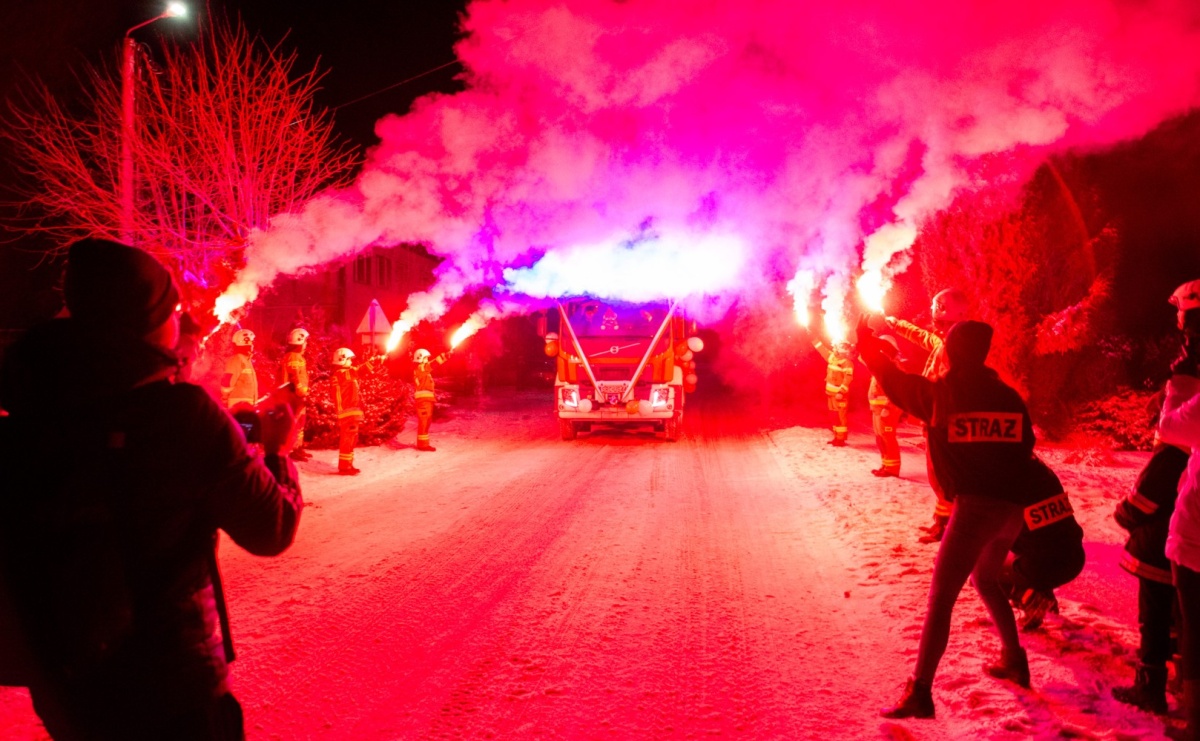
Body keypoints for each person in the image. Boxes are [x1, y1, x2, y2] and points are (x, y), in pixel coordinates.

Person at [0, 238, 303, 740]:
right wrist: (278, 452)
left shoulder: (29, 412)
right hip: (173, 689)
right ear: (148, 320)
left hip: (69, 685)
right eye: (173, 310)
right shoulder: (182, 417)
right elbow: (271, 530)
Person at [859, 316, 1046, 719]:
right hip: (1011, 510)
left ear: (953, 350)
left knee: (942, 598)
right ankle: (1015, 659)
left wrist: (868, 348)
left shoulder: (947, 393)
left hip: (974, 509)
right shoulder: (1009, 397)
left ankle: (920, 691)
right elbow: (1027, 445)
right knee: (986, 579)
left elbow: (898, 384)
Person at [1112, 391, 1188, 715]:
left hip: (1159, 549)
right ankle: (1185, 679)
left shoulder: (1171, 455)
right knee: (1181, 617)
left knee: (1153, 619)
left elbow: (1141, 501)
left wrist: (1122, 515)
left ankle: (1149, 688)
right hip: (1185, 552)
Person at [886, 288, 970, 543]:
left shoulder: (953, 347)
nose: (932, 309)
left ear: (944, 308)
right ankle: (942, 522)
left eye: (935, 305)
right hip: (936, 419)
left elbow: (947, 388)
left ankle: (948, 527)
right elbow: (923, 337)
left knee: (942, 476)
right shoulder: (948, 340)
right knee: (938, 475)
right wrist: (895, 325)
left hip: (941, 421)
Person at [1155, 278, 1200, 741]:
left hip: (1196, 534)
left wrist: (1178, 385)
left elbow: (1170, 430)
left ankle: (1195, 718)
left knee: (1195, 623)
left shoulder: (1192, 376)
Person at [1003, 475, 1086, 632]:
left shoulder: (1006, 481)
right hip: (1075, 557)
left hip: (1041, 566)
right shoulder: (1043, 474)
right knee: (1041, 545)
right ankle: (1043, 596)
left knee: (982, 567)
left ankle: (1030, 599)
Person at [331, 347, 383, 475]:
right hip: (348, 412)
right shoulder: (341, 373)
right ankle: (344, 467)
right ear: (342, 360)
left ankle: (348, 464)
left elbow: (357, 371)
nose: (351, 362)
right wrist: (373, 361)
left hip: (352, 411)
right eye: (349, 360)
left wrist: (374, 361)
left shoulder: (344, 373)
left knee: (352, 439)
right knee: (348, 439)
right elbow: (359, 371)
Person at [868, 335, 903, 476]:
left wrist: (888, 408)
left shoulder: (895, 367)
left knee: (888, 437)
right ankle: (886, 465)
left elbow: (897, 392)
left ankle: (892, 469)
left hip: (887, 410)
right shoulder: (881, 365)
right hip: (877, 410)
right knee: (880, 437)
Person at [811, 336, 855, 447]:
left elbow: (848, 378)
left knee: (841, 417)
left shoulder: (847, 363)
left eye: (837, 346)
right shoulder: (832, 357)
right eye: (835, 346)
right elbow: (822, 349)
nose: (834, 348)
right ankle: (836, 437)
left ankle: (841, 439)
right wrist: (813, 338)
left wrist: (841, 392)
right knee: (834, 416)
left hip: (840, 395)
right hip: (830, 394)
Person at [280, 327, 311, 461]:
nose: (306, 344)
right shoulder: (294, 357)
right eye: (305, 341)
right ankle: (293, 450)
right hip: (294, 395)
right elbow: (295, 376)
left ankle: (298, 448)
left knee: (299, 423)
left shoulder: (296, 356)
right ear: (300, 341)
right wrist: (301, 392)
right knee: (295, 423)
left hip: (296, 395)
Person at [413, 347, 450, 452]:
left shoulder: (424, 371)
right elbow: (432, 365)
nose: (427, 360)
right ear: (420, 358)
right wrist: (443, 356)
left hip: (426, 400)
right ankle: (422, 445)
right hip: (423, 401)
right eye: (425, 358)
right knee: (424, 421)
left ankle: (424, 444)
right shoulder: (420, 368)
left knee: (427, 421)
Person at [221, 329, 258, 410]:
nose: (253, 345)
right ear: (248, 343)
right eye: (253, 343)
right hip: (238, 406)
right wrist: (224, 399)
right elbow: (227, 382)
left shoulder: (246, 361)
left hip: (246, 405)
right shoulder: (236, 360)